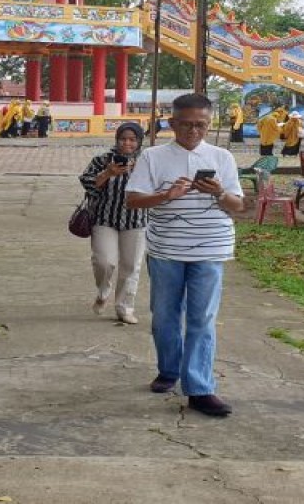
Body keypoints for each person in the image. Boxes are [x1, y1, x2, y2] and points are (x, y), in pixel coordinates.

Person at [126, 93, 244, 418]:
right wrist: (167, 195)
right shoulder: (153, 156)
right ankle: (168, 368)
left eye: (201, 125)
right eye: (186, 124)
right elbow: (133, 200)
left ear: (209, 124)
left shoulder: (222, 157)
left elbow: (238, 205)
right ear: (171, 123)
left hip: (211, 248)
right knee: (165, 316)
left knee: (202, 318)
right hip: (166, 250)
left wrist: (219, 192)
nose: (193, 131)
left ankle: (200, 388)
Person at [79, 123, 148, 325]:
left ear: (139, 142)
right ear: (116, 140)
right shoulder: (102, 160)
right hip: (104, 219)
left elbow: (158, 185)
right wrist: (108, 173)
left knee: (131, 266)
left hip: (136, 220)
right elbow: (87, 182)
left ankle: (124, 307)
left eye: (132, 139)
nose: (127, 143)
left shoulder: (147, 161)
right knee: (103, 261)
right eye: (123, 139)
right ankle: (103, 291)